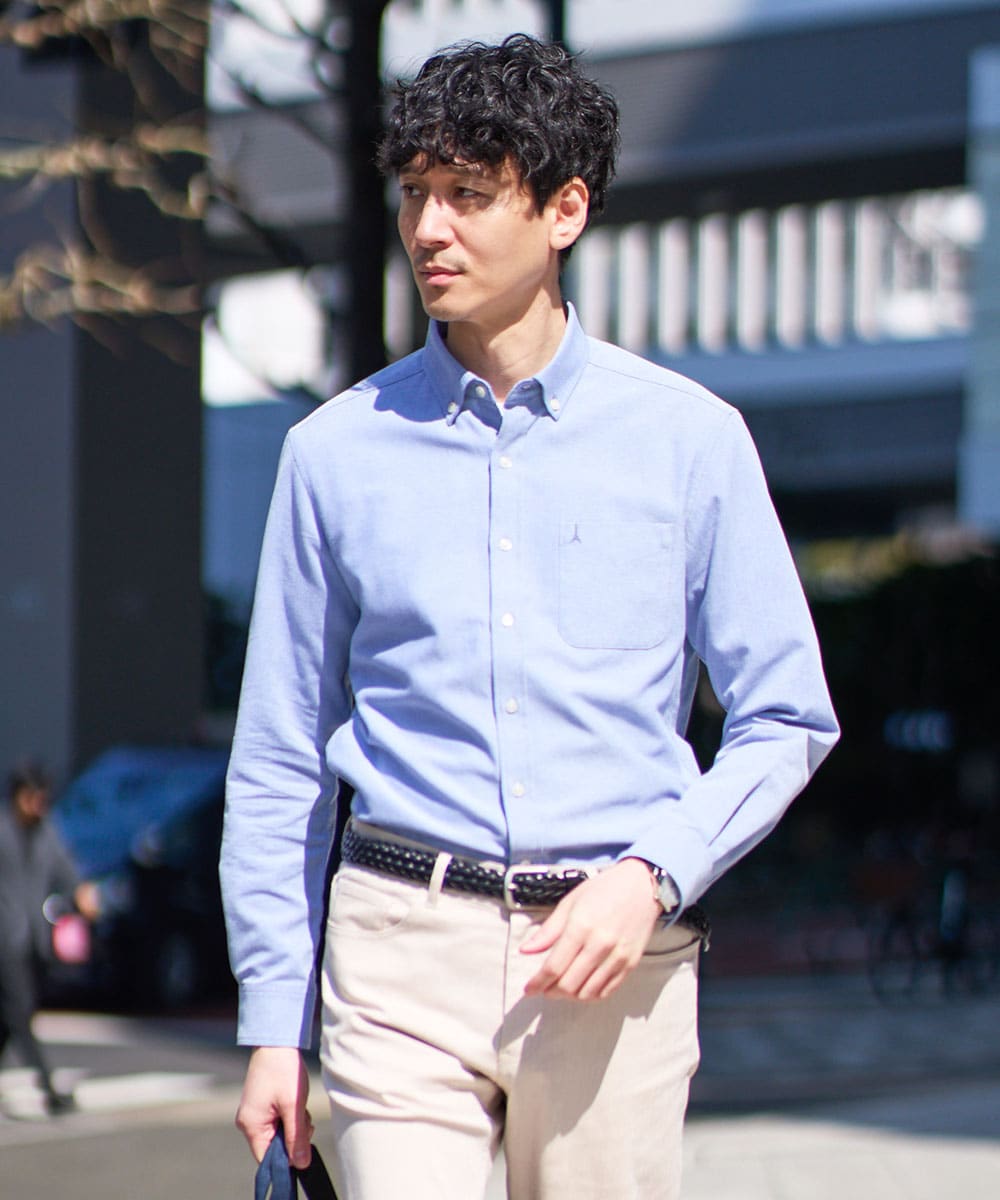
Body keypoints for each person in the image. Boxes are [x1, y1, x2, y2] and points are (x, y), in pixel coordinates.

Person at [221, 33, 839, 1199]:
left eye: (467, 194)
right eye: (415, 193)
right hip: (398, 955)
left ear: (564, 210)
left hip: (614, 966)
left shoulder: (690, 442)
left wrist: (654, 873)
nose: (428, 229)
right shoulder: (332, 454)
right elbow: (281, 756)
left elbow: (785, 717)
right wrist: (272, 1020)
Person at [0, 762, 99, 1115]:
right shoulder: (3, 831)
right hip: (4, 940)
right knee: (20, 1010)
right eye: (32, 796)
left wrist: (80, 892)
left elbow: (64, 870)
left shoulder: (45, 833)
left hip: (32, 940)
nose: (38, 804)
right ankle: (49, 1089)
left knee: (9, 1018)